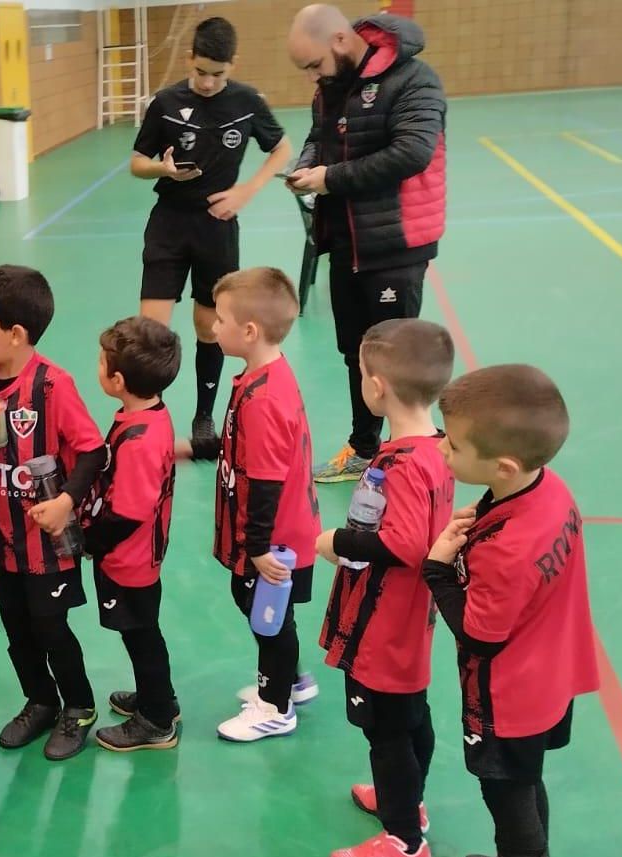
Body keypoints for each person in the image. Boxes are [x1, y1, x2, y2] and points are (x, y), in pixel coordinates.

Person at [422, 365, 598, 857]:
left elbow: (479, 634)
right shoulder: (549, 489)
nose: (440, 449)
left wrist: (437, 570)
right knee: (525, 777)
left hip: (509, 694)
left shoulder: (510, 548)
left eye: (451, 445)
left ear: (502, 464)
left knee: (506, 788)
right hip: (551, 671)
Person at [0, 265, 108, 761]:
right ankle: (40, 699)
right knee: (14, 625)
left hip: (47, 541)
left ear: (15, 335)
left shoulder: (53, 386)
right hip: (2, 538)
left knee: (51, 626)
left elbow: (93, 451)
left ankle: (78, 705)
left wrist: (65, 502)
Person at [313, 319, 455, 857]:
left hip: (384, 620)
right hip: (409, 618)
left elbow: (402, 541)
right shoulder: (437, 449)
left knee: (387, 730)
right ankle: (408, 799)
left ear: (376, 387)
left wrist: (333, 542)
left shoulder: (399, 464)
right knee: (410, 713)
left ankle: (403, 842)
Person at [284, 4, 447, 484]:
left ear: (339, 40)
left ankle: (412, 454)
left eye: (314, 64)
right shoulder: (330, 89)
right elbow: (319, 138)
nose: (313, 76)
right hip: (346, 241)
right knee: (355, 352)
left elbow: (412, 152)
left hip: (395, 243)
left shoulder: (415, 79)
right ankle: (364, 446)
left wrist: (330, 178)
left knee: (396, 357)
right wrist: (308, 165)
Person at [131, 16, 294, 456]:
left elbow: (281, 147)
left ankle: (204, 416)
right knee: (150, 333)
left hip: (217, 227)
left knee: (210, 326)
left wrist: (247, 190)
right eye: (201, 71)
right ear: (190, 60)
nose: (207, 82)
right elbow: (136, 162)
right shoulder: (165, 102)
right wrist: (160, 169)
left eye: (217, 74)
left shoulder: (247, 101)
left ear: (232, 66)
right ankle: (152, 417)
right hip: (168, 222)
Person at [203, 267, 321, 743]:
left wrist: (256, 546)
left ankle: (276, 705)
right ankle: (290, 680)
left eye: (221, 319)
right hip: (274, 532)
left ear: (248, 332)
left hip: (275, 540)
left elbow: (268, 479)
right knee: (267, 612)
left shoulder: (264, 398)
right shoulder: (260, 376)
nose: (213, 326)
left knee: (268, 616)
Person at [79, 317, 183, 752]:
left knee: (140, 636)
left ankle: (157, 720)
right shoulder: (146, 414)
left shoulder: (139, 440)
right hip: (138, 556)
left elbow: (129, 512)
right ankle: (160, 698)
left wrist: (91, 543)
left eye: (101, 363)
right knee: (143, 634)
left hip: (130, 561)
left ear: (117, 379)